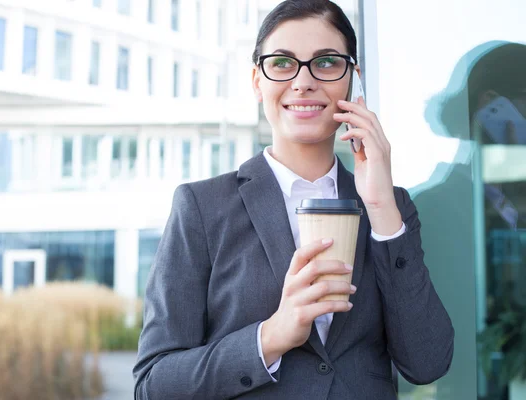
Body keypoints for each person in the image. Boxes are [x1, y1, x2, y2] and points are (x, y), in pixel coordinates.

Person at [133, 1, 454, 398]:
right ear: (257, 81)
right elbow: (152, 385)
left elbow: (428, 363)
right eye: (282, 63)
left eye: (325, 62)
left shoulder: (391, 207)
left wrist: (382, 208)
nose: (303, 82)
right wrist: (269, 338)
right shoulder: (202, 207)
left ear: (352, 78)